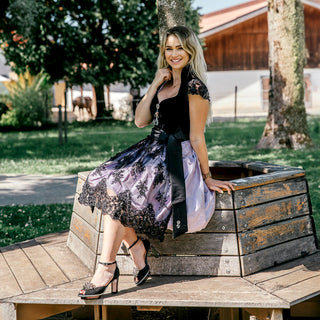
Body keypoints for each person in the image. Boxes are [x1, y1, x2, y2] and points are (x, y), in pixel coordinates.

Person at [77, 25, 236, 299]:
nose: (174, 54)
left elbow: (197, 137)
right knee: (102, 179)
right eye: (169, 48)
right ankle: (136, 247)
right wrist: (154, 83)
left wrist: (207, 176)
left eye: (180, 48)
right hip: (150, 149)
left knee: (119, 192)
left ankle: (107, 267)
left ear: (190, 50)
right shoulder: (163, 82)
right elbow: (140, 120)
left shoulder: (195, 87)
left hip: (175, 157)